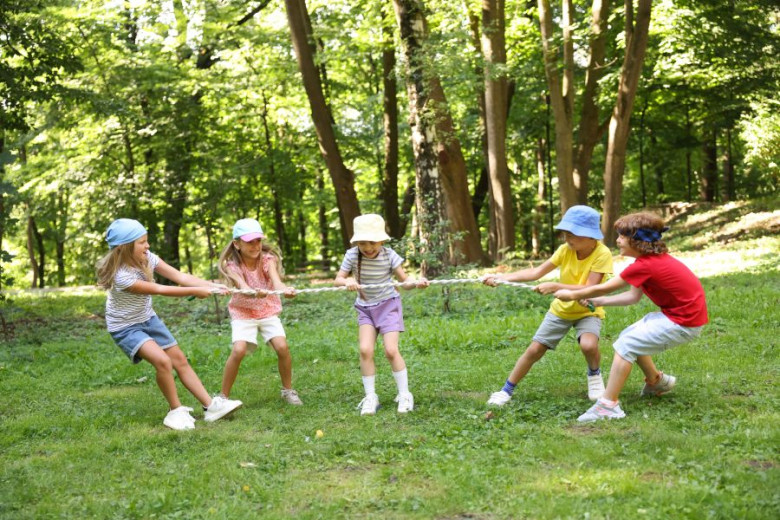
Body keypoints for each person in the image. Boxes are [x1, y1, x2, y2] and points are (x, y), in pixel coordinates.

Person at [555, 212, 708, 422]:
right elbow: (632, 297)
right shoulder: (650, 262)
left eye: (622, 236)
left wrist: (572, 293)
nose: (617, 240)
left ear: (637, 241)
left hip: (682, 322)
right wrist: (600, 302)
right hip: (679, 317)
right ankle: (656, 382)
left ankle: (608, 405)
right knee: (630, 336)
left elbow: (608, 286)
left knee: (626, 345)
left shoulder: (645, 265)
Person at [96, 218, 243, 430]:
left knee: (179, 359)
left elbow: (179, 276)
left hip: (148, 318)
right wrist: (195, 291)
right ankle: (175, 411)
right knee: (163, 362)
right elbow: (160, 290)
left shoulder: (148, 258)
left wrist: (212, 286)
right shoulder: (121, 276)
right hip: (125, 327)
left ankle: (211, 407)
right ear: (124, 248)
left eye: (147, 241)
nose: (147, 246)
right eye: (142, 242)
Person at [483, 205, 613, 406]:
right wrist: (501, 277)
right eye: (565, 233)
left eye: (573, 234)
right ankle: (506, 390)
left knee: (589, 345)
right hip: (561, 311)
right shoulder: (564, 250)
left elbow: (589, 288)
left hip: (587, 310)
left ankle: (594, 375)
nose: (567, 239)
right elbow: (535, 273)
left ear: (590, 236)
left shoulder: (602, 253)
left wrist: (555, 286)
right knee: (534, 350)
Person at [334, 214, 429, 415]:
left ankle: (404, 394)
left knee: (390, 350)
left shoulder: (389, 255)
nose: (368, 248)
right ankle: (371, 397)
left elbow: (405, 281)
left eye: (372, 242)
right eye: (362, 243)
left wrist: (416, 283)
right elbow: (338, 279)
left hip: (388, 305)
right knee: (365, 350)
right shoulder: (352, 255)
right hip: (365, 308)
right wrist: (347, 281)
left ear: (382, 240)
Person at [217, 218, 302, 405]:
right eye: (249, 242)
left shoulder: (268, 259)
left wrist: (284, 289)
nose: (255, 246)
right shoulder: (232, 266)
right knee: (238, 350)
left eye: (258, 241)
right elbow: (243, 286)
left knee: (282, 347)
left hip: (267, 310)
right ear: (237, 244)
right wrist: (253, 292)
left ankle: (288, 390)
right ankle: (222, 397)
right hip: (243, 312)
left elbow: (276, 281)